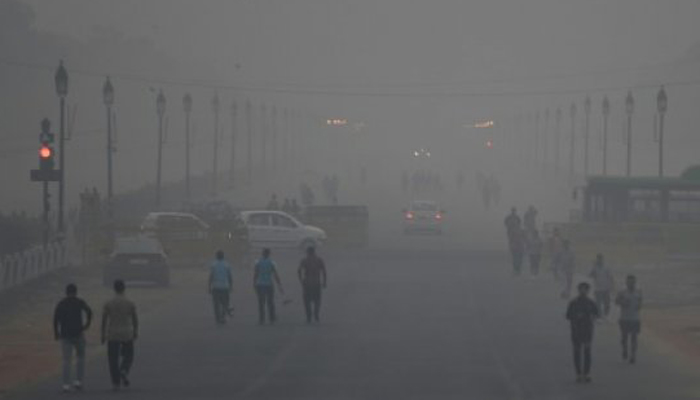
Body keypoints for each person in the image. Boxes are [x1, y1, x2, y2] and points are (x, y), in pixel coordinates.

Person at [53, 283, 92, 392]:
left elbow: (55, 319)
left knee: (66, 360)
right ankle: (78, 381)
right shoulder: (79, 302)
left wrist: (56, 333)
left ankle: (66, 384)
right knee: (80, 358)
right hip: (78, 333)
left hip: (65, 335)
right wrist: (87, 324)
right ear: (76, 292)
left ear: (66, 292)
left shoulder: (61, 303)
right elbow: (89, 311)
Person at [101, 280, 138, 391]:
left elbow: (104, 320)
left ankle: (115, 383)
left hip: (113, 333)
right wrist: (135, 331)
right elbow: (135, 319)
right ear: (124, 288)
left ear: (114, 288)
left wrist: (102, 334)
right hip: (127, 333)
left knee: (113, 359)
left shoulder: (108, 303)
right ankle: (124, 370)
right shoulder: (130, 303)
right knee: (129, 355)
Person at [566, 282, 599, 383]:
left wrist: (591, 317)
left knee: (587, 352)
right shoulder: (573, 303)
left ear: (588, 291)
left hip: (588, 330)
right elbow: (568, 316)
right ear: (578, 290)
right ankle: (578, 374)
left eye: (585, 289)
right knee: (577, 352)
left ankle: (587, 373)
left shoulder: (591, 303)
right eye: (581, 289)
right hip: (576, 329)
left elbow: (597, 314)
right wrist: (577, 316)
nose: (583, 291)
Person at [615, 275, 643, 363]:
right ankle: (625, 349)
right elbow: (616, 301)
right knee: (624, 337)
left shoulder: (639, 291)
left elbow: (640, 301)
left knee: (634, 337)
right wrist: (623, 302)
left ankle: (633, 355)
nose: (631, 284)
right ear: (626, 283)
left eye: (633, 282)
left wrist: (639, 306)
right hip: (624, 318)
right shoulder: (622, 292)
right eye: (629, 282)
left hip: (635, 318)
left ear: (635, 282)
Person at [253, 248, 284, 325]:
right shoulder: (271, 263)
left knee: (261, 302)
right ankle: (271, 318)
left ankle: (262, 319)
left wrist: (254, 283)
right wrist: (279, 284)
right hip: (269, 284)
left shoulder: (258, 263)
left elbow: (256, 274)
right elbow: (275, 275)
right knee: (270, 302)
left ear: (262, 253)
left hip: (260, 284)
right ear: (269, 254)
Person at [298, 246, 327, 323]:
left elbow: (299, 270)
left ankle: (309, 316)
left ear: (307, 252)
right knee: (317, 299)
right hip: (316, 282)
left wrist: (301, 280)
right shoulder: (319, 260)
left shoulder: (304, 260)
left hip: (307, 282)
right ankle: (316, 313)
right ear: (314, 252)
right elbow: (324, 271)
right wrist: (324, 282)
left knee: (306, 300)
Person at [209, 250, 233, 325]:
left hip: (216, 287)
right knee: (225, 303)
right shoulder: (227, 265)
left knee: (216, 304)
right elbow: (230, 277)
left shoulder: (213, 265)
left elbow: (211, 276)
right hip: (225, 287)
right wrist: (231, 286)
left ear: (216, 256)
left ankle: (218, 319)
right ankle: (222, 317)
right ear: (223, 256)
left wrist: (209, 286)